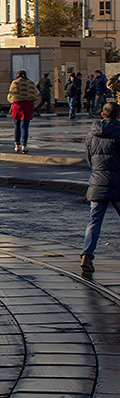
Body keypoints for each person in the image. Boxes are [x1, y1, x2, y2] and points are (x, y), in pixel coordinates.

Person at [82, 101, 120, 274]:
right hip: (117, 183)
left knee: (94, 221)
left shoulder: (91, 135)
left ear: (103, 115)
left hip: (97, 182)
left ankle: (87, 255)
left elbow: (90, 161)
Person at [7, 69, 39, 154]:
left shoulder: (15, 83)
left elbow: (10, 95)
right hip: (28, 105)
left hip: (17, 105)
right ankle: (24, 146)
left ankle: (17, 145)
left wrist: (12, 101)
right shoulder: (30, 83)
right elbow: (35, 95)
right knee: (25, 126)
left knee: (17, 125)